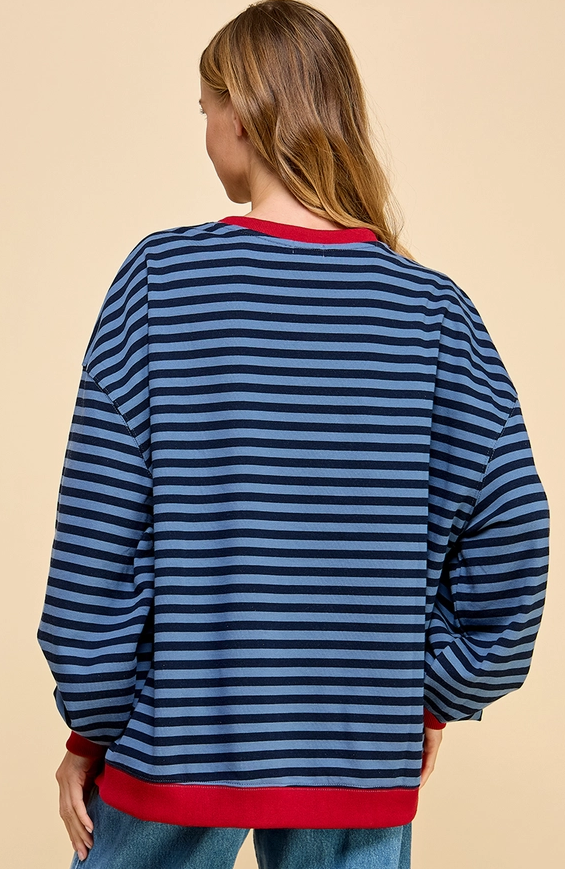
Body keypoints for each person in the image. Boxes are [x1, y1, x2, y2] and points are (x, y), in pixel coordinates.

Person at [37, 1, 550, 867]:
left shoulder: (162, 282)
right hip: (358, 760)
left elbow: (99, 537)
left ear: (241, 112)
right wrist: (427, 696)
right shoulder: (433, 314)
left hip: (173, 751)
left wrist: (91, 723)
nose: (205, 131)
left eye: (204, 108)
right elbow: (511, 535)